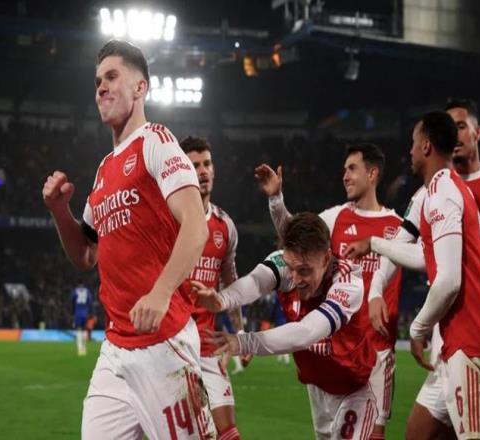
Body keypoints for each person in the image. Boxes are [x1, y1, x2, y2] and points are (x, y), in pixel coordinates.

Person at [42, 40, 216, 439]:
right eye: (97, 81)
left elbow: (196, 225)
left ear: (140, 88)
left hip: (165, 346)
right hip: (116, 351)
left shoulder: (157, 142)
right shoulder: (105, 170)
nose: (101, 87)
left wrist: (161, 291)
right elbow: (86, 255)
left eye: (112, 77)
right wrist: (59, 211)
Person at [344, 100, 480, 439]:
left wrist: (418, 329)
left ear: (426, 146)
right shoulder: (436, 191)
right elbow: (424, 255)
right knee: (418, 432)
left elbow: (448, 280)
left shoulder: (444, 192)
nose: (409, 151)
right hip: (452, 335)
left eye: (413, 143)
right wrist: (374, 246)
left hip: (470, 335)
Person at [255, 143, 402, 439]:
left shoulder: (398, 227)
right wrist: (276, 200)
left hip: (376, 352)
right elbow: (296, 238)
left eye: (352, 169)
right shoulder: (336, 218)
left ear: (372, 174)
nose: (345, 176)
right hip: (336, 355)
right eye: (344, 169)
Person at [193, 212, 378, 439]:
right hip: (317, 386)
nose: (296, 278)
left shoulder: (348, 282)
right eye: (291, 268)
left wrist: (242, 342)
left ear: (326, 259)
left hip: (354, 388)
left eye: (304, 270)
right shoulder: (287, 263)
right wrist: (222, 300)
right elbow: (256, 282)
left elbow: (307, 332)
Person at [180, 136, 245, 440]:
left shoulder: (224, 225)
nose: (203, 171)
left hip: (208, 345)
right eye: (194, 166)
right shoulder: (169, 221)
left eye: (207, 164)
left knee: (229, 433)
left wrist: (240, 332)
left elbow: (231, 284)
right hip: (174, 346)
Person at [71, 281, 93, 356]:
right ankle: (84, 348)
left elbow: (72, 301)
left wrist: (73, 312)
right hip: (85, 313)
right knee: (84, 329)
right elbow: (90, 302)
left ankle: (80, 349)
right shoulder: (87, 291)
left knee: (78, 329)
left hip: (78, 313)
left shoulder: (75, 291)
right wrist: (91, 312)